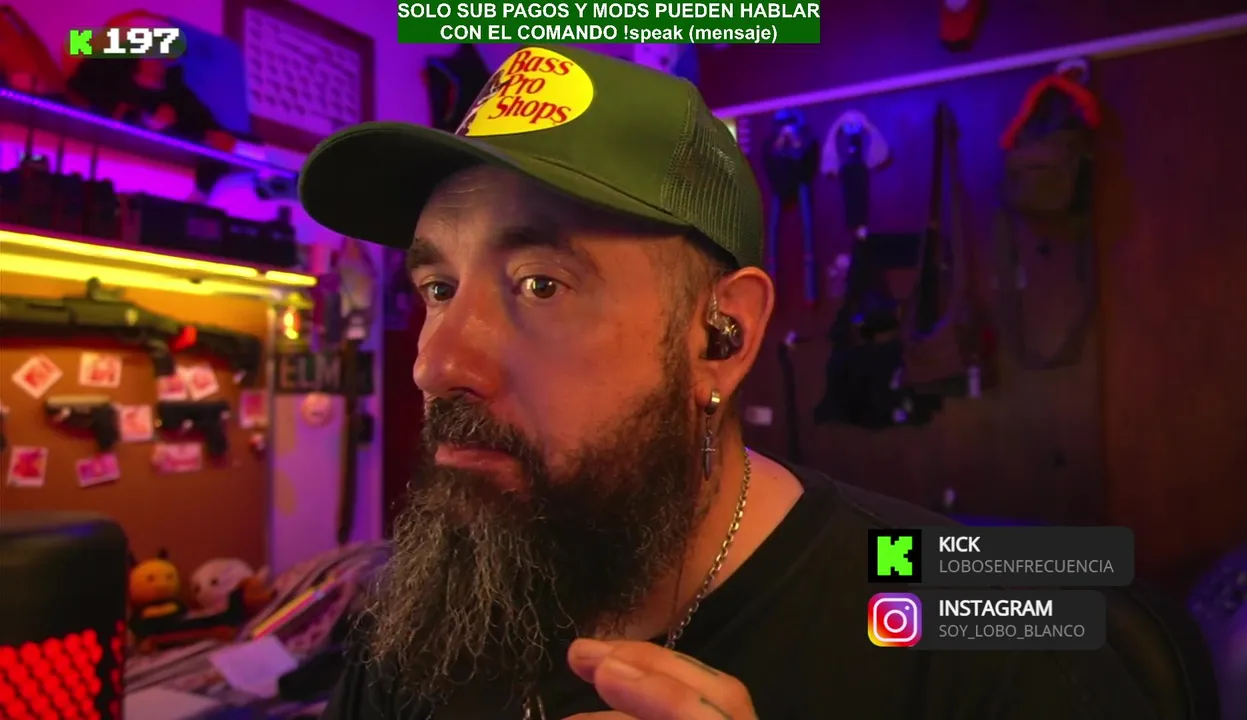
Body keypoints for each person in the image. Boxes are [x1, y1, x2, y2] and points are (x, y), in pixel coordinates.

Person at [299, 46, 1158, 719]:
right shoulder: (415, 622)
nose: (436, 364)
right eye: (438, 288)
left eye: (540, 285)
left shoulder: (985, 616)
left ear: (723, 336)